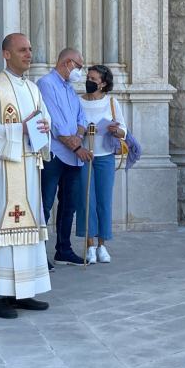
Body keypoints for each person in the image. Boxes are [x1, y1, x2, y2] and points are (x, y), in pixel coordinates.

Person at [0, 33, 51, 319]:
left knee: (30, 228)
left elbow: (44, 122)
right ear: (6, 54)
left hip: (30, 168)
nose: (29, 54)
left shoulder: (33, 89)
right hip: (5, 172)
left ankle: (24, 291)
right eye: (22, 50)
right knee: (6, 228)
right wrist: (20, 130)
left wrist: (42, 130)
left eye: (30, 49)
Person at [38, 48, 90, 266]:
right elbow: (55, 123)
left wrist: (78, 136)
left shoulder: (70, 88)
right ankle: (39, 253)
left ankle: (64, 249)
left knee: (70, 203)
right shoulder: (46, 84)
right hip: (55, 154)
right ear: (67, 62)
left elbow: (82, 117)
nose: (80, 71)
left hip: (73, 156)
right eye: (78, 66)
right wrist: (77, 147)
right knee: (46, 203)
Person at [75, 65, 126, 264]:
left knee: (104, 200)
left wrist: (115, 130)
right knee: (87, 200)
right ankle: (89, 246)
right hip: (84, 155)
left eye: (93, 78)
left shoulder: (112, 102)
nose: (89, 81)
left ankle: (103, 244)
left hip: (105, 156)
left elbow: (124, 131)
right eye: (88, 77)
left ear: (103, 83)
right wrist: (83, 131)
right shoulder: (78, 101)